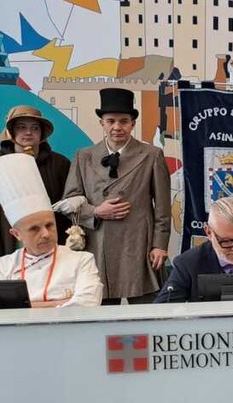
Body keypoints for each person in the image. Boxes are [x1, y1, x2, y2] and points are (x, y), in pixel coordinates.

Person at [54, 88, 172, 305]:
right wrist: (96, 211)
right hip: (97, 244)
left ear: (133, 123)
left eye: (123, 121)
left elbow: (163, 207)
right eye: (111, 121)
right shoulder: (84, 156)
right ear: (102, 123)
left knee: (147, 310)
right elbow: (70, 201)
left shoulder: (151, 155)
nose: (117, 127)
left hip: (138, 244)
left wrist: (159, 245)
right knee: (101, 309)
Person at [0, 154, 102, 307]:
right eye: (34, 229)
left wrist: (23, 306)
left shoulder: (81, 260)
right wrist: (62, 302)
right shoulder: (4, 266)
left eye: (49, 225)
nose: (46, 234)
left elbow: (88, 304)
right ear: (17, 234)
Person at [1, 106, 71, 256]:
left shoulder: (60, 164)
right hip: (7, 240)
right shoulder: (2, 163)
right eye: (21, 127)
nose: (28, 132)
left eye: (34, 128)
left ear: (42, 133)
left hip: (49, 241)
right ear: (12, 132)